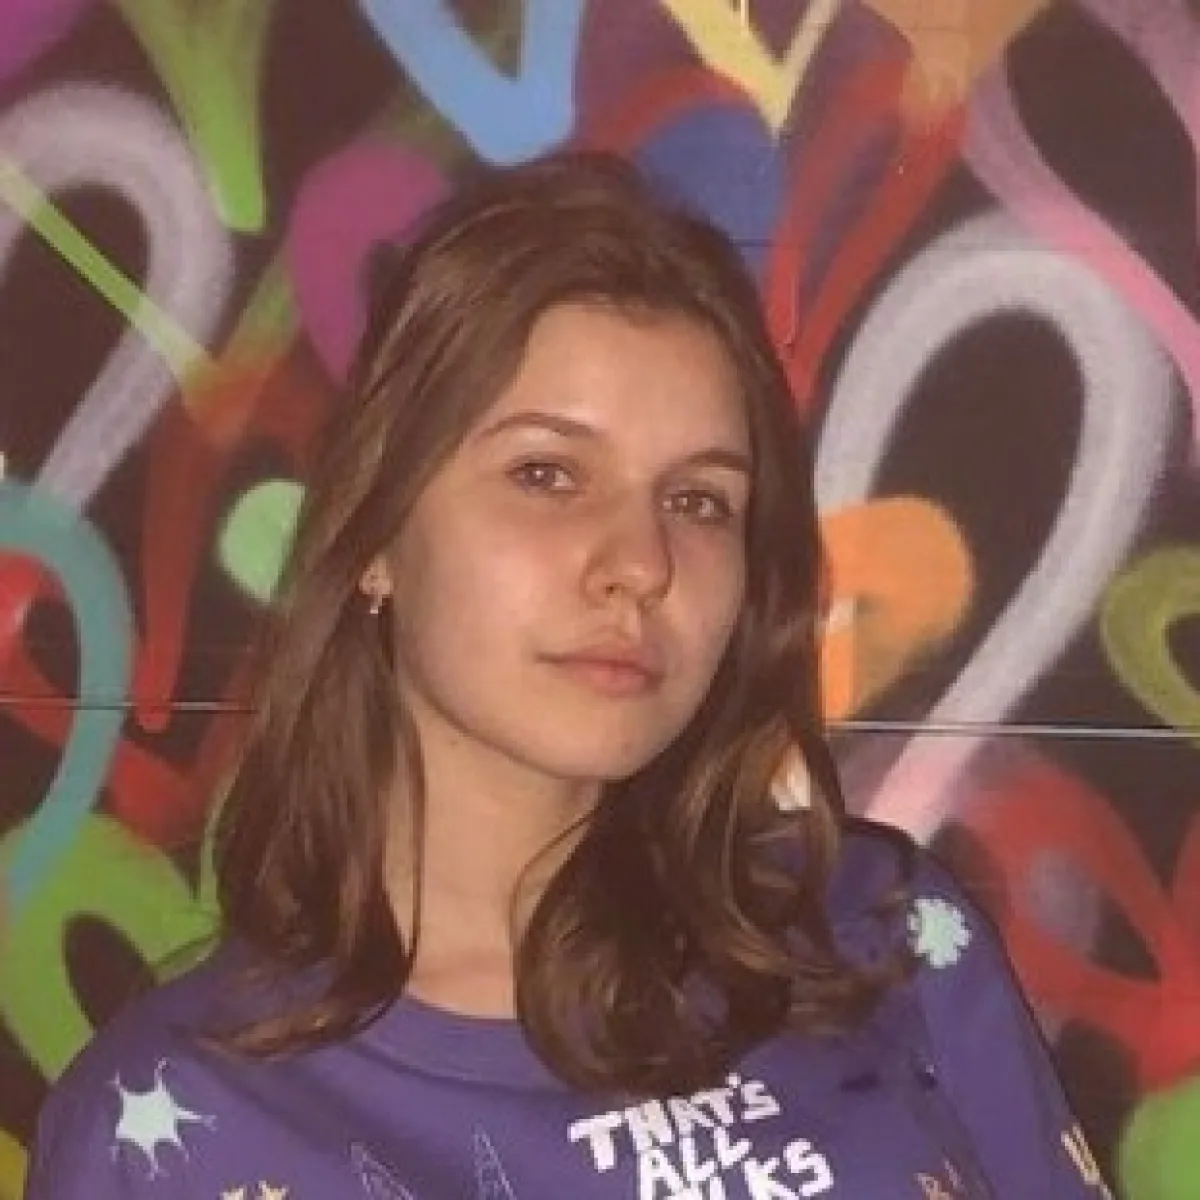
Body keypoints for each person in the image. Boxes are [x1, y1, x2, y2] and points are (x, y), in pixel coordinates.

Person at [24, 153, 1109, 1199]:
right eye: (546, 474)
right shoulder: (174, 1127)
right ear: (377, 535)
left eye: (698, 501)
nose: (640, 564)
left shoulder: (881, 938)